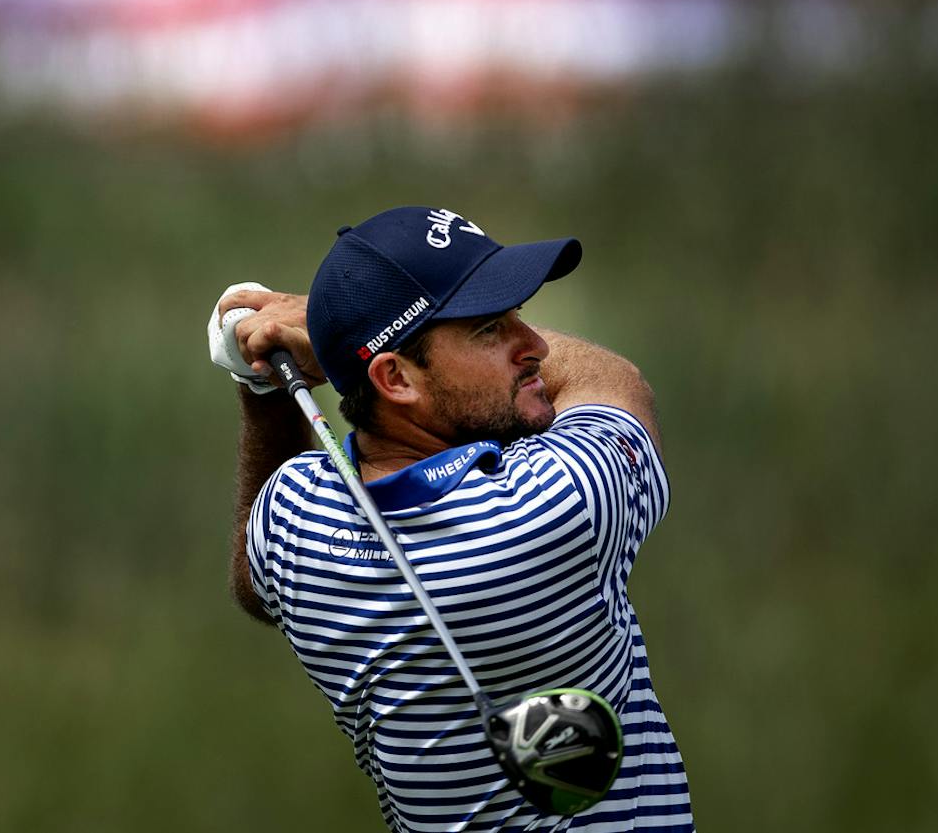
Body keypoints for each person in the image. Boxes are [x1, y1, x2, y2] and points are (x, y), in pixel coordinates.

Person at [211, 206, 693, 832]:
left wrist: (266, 387)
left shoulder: (293, 521)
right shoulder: (557, 503)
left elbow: (255, 585)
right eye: (491, 328)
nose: (536, 346)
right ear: (395, 378)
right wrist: (310, 320)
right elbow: (614, 383)